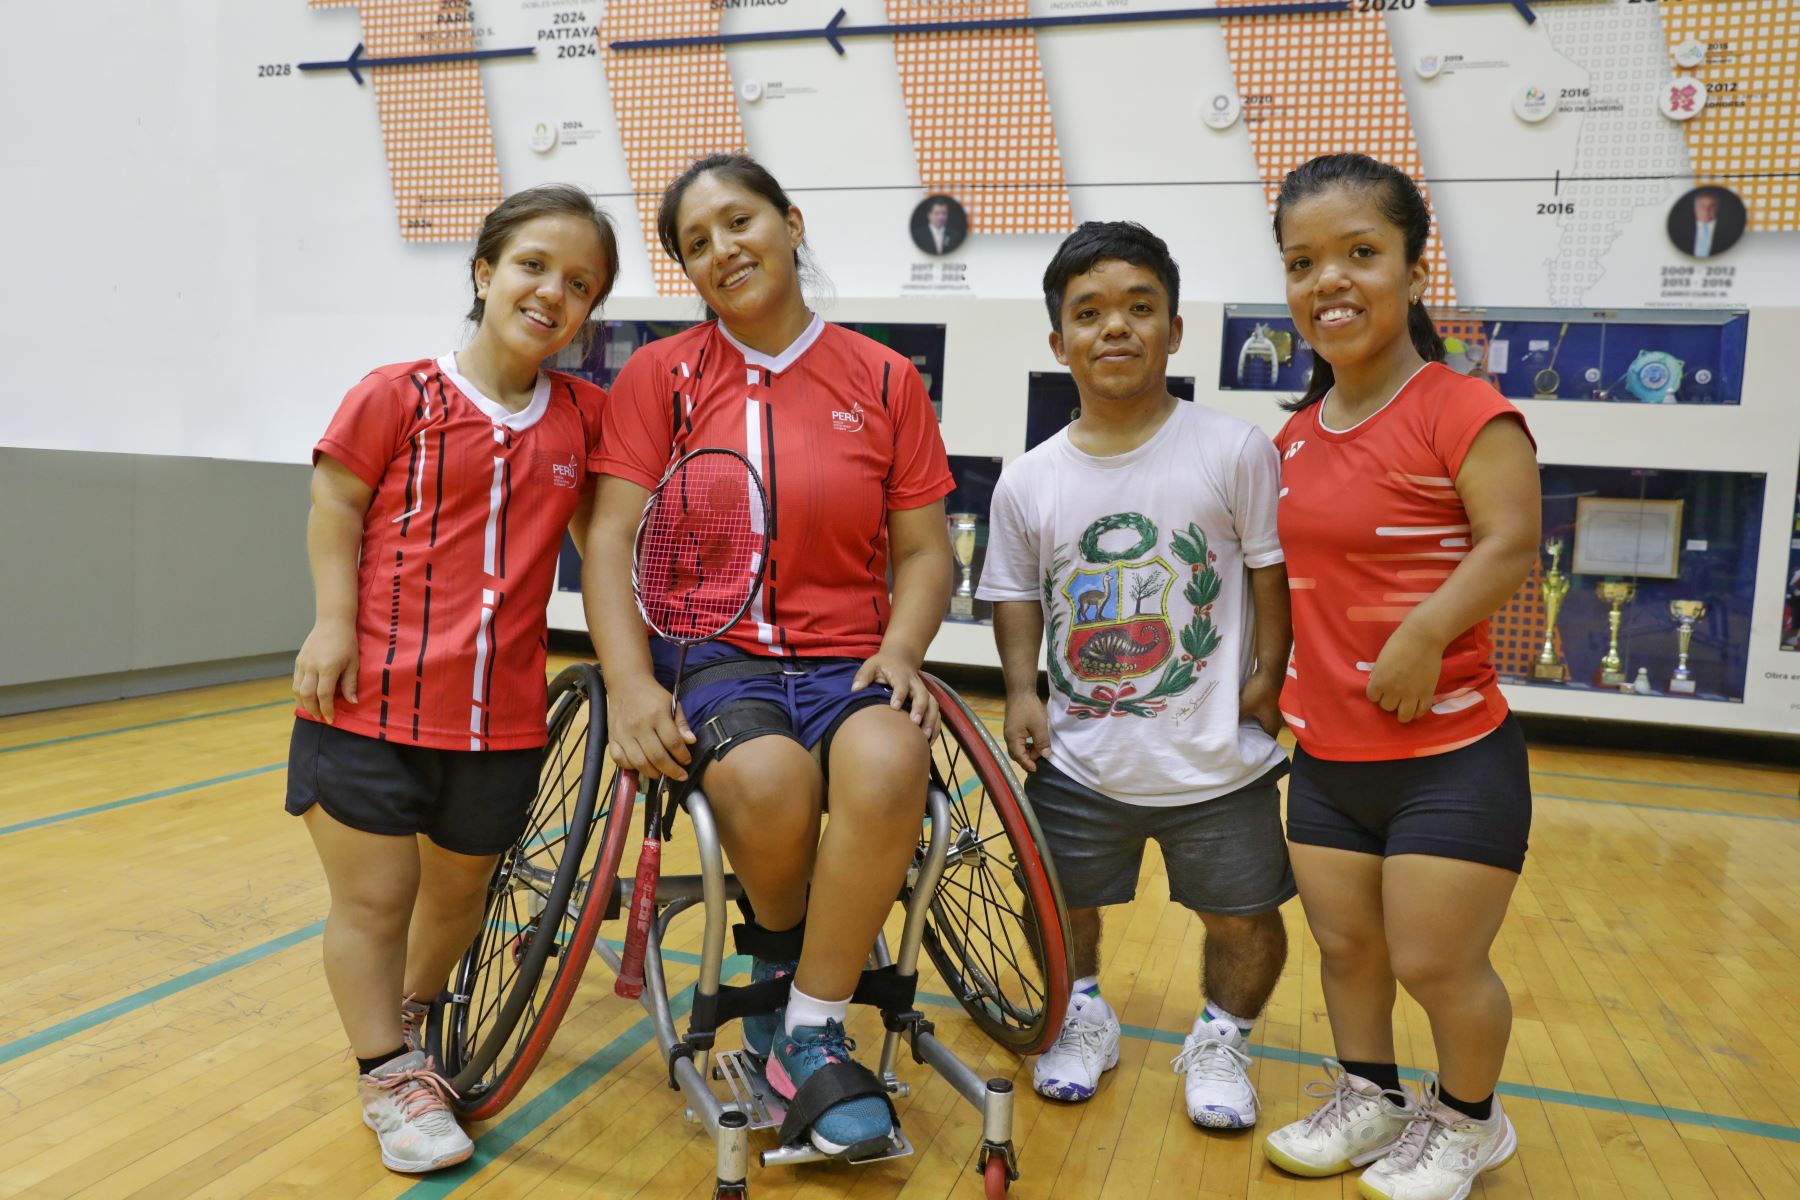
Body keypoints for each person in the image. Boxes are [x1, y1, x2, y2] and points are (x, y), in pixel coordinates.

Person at [584, 154, 955, 1160]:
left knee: (888, 761)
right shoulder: (660, 378)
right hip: (721, 664)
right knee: (770, 779)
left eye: (738, 221)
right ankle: (790, 954)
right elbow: (608, 537)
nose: (722, 250)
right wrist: (626, 680)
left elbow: (927, 551)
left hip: (852, 661)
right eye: (695, 244)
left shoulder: (882, 377)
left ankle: (808, 1022)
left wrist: (905, 647)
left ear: (791, 223)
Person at [287, 184, 618, 1172]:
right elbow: (335, 503)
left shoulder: (588, 420)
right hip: (369, 705)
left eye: (580, 284)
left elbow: (613, 541)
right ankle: (388, 1074)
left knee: (455, 899)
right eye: (532, 266)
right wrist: (331, 622)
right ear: (484, 273)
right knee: (376, 901)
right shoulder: (396, 393)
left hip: (503, 724)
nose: (552, 292)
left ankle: (409, 1020)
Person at [1257, 153, 1541, 1200]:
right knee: (1347, 951)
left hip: (1449, 759)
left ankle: (1471, 1122)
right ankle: (1370, 1097)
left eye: (1359, 254)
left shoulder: (1463, 408)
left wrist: (1423, 633)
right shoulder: (1290, 436)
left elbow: (1510, 542)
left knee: (1434, 964)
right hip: (1328, 756)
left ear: (1415, 271)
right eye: (1302, 261)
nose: (1328, 280)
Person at [977, 221, 1294, 1129]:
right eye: (1090, 313)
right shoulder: (1028, 481)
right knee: (1064, 904)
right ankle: (1081, 1016)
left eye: (1139, 308)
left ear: (1174, 329)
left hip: (1217, 761)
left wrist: (1269, 679)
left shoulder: (1233, 449)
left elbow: (1270, 574)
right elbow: (1014, 596)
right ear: (1058, 341)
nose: (1115, 327)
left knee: (1242, 917)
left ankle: (1224, 1038)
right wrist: (1025, 689)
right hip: (1080, 760)